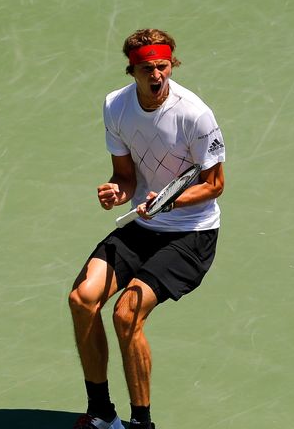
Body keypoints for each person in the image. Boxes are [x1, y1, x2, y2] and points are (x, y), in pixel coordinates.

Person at [68, 28, 226, 429]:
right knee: (83, 298)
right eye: (146, 69)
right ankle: (102, 414)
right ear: (131, 70)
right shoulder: (116, 107)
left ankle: (142, 424)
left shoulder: (194, 114)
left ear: (171, 64)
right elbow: (125, 177)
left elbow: (214, 184)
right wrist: (115, 192)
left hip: (191, 234)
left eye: (162, 66)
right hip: (144, 224)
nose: (156, 76)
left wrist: (169, 201)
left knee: (127, 312)